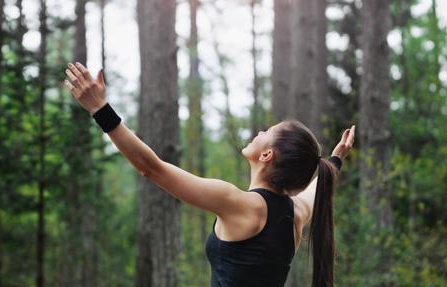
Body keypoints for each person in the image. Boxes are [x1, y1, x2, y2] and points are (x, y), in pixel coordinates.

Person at [63, 62, 355, 287]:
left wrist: (100, 108)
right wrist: (335, 159)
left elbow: (151, 168)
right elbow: (319, 185)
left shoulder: (238, 203)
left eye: (268, 132)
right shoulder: (297, 213)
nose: (259, 132)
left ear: (267, 155)